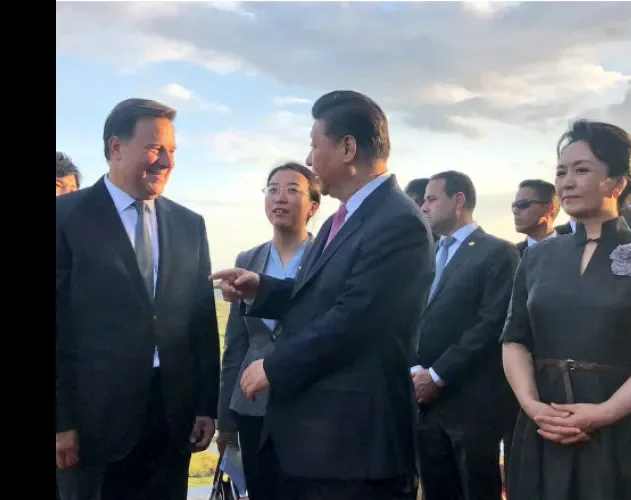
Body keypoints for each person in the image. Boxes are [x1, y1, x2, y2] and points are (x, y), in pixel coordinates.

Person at [210, 90, 434, 500]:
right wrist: (264, 289)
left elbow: (356, 319)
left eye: (315, 145)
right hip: (317, 444)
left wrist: (274, 366)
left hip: (353, 447)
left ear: (347, 148)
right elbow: (322, 294)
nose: (311, 159)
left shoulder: (397, 222)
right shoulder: (344, 218)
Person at [501, 119, 631, 500]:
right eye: (561, 172)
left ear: (618, 182)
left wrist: (605, 412)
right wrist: (532, 405)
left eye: (582, 170)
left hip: (626, 428)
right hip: (545, 425)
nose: (567, 182)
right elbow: (514, 339)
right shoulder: (537, 258)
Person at [56, 98, 220, 500]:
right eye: (155, 148)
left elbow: (200, 322)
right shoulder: (66, 218)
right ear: (115, 147)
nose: (166, 161)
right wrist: (61, 421)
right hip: (92, 428)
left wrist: (206, 406)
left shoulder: (189, 225)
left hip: (171, 423)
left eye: (172, 151)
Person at [216, 162, 321, 500]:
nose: (280, 197)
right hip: (252, 401)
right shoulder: (249, 258)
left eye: (293, 190)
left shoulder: (325, 257)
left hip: (310, 400)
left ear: (313, 206)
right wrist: (225, 418)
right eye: (272, 189)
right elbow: (236, 341)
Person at [414, 171, 519, 500]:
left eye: (432, 199)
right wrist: (416, 370)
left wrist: (437, 375)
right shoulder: (426, 254)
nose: (424, 206)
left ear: (458, 200)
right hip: (425, 405)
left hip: (472, 405)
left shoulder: (497, 252)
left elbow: (491, 324)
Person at [513, 179, 559, 256]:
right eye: (514, 206)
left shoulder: (576, 250)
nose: (515, 211)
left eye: (523, 204)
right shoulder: (511, 256)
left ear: (549, 208)